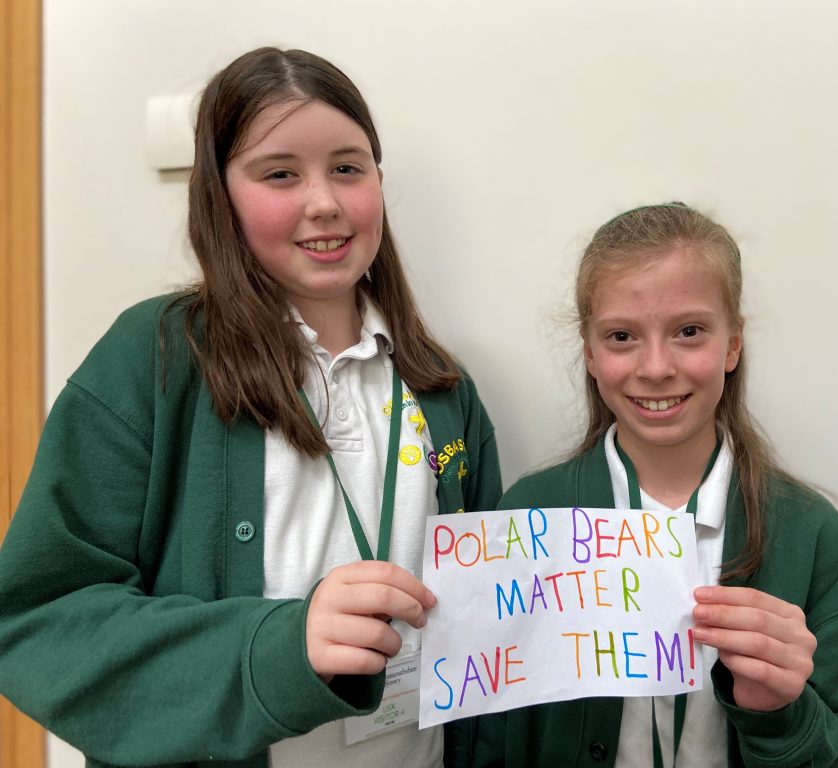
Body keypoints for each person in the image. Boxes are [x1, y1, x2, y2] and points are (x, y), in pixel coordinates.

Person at [0, 47, 501, 768]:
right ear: (220, 194)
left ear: (379, 185)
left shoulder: (443, 387)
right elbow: (39, 623)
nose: (323, 201)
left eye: (348, 168)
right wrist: (279, 648)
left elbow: (482, 630)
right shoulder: (155, 357)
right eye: (279, 174)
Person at [468, 203, 838, 767]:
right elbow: (483, 737)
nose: (656, 367)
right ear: (589, 351)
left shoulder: (812, 536)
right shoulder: (529, 517)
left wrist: (782, 713)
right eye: (622, 336)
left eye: (689, 331)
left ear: (733, 344)